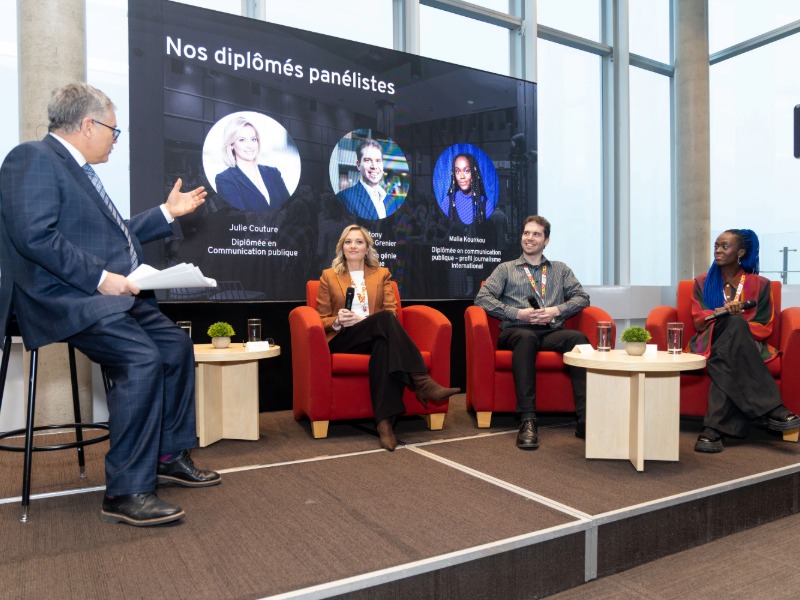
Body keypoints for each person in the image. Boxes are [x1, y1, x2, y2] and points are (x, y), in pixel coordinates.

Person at [0, 82, 220, 527]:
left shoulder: (80, 171)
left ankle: (166, 454)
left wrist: (166, 214)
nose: (115, 140)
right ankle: (125, 491)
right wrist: (101, 280)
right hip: (63, 296)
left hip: (105, 294)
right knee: (141, 358)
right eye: (113, 131)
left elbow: (116, 235)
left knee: (175, 349)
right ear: (87, 125)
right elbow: (34, 236)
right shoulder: (33, 159)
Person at [315, 224, 459, 450]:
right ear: (342, 248)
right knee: (384, 322)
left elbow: (392, 312)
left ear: (367, 248)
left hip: (374, 335)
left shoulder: (382, 274)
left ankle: (384, 424)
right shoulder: (329, 277)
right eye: (348, 242)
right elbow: (320, 319)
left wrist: (366, 321)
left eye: (359, 242)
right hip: (344, 338)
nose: (353, 246)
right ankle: (420, 381)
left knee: (384, 343)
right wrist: (337, 320)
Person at [475, 216, 590, 449]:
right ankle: (528, 420)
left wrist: (555, 310)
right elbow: (482, 298)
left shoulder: (560, 270)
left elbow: (582, 298)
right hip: (517, 331)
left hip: (550, 331)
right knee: (526, 338)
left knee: (579, 340)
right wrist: (518, 314)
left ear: (546, 240)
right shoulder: (506, 269)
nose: (530, 238)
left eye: (536, 234)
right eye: (526, 233)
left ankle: (586, 418)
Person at [690, 228, 799, 453]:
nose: (718, 250)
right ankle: (772, 408)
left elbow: (764, 325)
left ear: (740, 252)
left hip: (747, 343)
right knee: (732, 323)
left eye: (724, 246)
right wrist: (720, 312)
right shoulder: (701, 282)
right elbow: (699, 321)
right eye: (716, 246)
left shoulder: (760, 284)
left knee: (735, 329)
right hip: (710, 338)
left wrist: (736, 318)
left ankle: (712, 429)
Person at [214, 116, 290, 212]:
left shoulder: (273, 173)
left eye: (253, 139)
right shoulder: (225, 179)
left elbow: (289, 209)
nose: (250, 146)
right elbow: (240, 217)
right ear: (231, 144)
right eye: (242, 140)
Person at [336, 139, 403, 220]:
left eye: (378, 161)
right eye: (368, 160)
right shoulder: (345, 198)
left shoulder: (391, 201)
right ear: (358, 165)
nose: (374, 166)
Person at [444, 153, 495, 226]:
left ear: (473, 173)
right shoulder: (447, 202)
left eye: (466, 171)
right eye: (457, 171)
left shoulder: (486, 205)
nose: (462, 176)